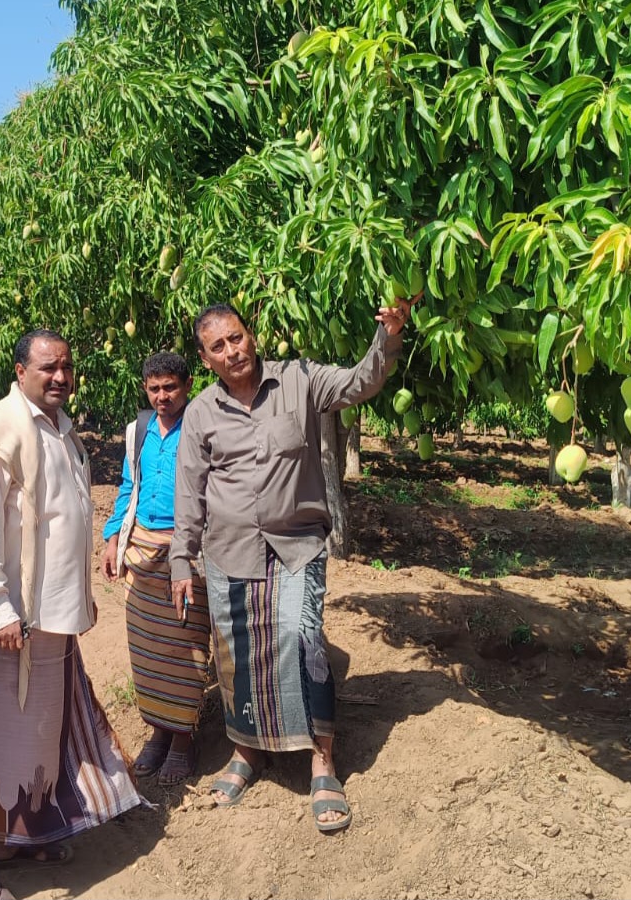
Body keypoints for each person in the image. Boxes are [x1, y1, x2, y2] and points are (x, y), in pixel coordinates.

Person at [170, 298, 413, 833]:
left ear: (249, 334)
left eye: (237, 337)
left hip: (296, 545)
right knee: (237, 654)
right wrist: (180, 561)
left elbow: (359, 382)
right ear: (205, 358)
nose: (232, 351)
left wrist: (387, 336)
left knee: (303, 640)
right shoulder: (201, 413)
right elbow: (189, 491)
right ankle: (246, 752)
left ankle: (322, 759)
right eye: (218, 346)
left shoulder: (299, 380)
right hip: (228, 552)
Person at [0, 329, 145, 900]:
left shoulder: (61, 429)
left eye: (66, 366)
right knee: (0, 738)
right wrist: (2, 609)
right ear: (19, 371)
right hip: (13, 621)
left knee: (38, 734)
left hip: (54, 614)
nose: (60, 376)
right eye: (46, 368)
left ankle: (20, 837)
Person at [100, 351, 210, 786]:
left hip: (187, 548)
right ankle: (159, 731)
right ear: (145, 389)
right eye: (154, 388)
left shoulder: (201, 427)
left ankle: (182, 739)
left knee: (184, 645)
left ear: (187, 386)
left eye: (171, 388)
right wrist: (113, 538)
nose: (162, 396)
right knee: (147, 646)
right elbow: (130, 485)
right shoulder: (139, 430)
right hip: (142, 545)